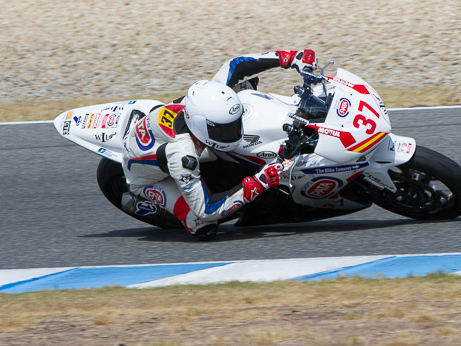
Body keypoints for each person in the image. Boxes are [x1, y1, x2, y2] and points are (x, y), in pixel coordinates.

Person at [119, 49, 317, 239]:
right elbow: (207, 210)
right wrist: (260, 182)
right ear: (201, 126)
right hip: (146, 177)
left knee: (246, 87)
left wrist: (289, 57)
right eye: (225, 129)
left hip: (160, 133)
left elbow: (236, 65)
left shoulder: (207, 99)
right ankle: (140, 199)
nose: (235, 132)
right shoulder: (183, 157)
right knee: (202, 225)